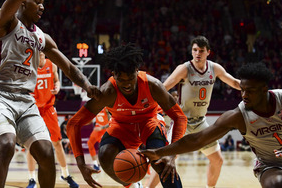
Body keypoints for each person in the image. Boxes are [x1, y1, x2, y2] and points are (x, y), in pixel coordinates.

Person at [0, 0, 100, 187]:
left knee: (46, 152)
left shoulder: (42, 38)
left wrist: (88, 86)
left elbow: (69, 67)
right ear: (24, 3)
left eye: (43, 3)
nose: (42, 7)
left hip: (26, 101)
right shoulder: (6, 21)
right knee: (6, 145)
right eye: (38, 1)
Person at [142, 62, 282, 188]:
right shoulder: (237, 116)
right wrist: (160, 152)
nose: (244, 96)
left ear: (264, 89)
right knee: (276, 184)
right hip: (273, 165)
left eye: (249, 91)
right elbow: (197, 140)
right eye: (242, 90)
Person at [66, 44, 187, 188]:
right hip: (121, 126)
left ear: (137, 70)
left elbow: (180, 117)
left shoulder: (153, 85)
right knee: (105, 155)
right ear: (113, 74)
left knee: (161, 162)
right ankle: (133, 184)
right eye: (121, 79)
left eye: (130, 78)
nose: (126, 84)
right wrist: (81, 164)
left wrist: (172, 155)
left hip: (149, 122)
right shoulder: (107, 92)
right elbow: (74, 123)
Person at [163, 35, 241, 188]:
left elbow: (233, 82)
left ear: (208, 52)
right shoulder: (184, 69)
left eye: (201, 51)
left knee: (217, 159)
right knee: (166, 160)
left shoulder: (214, 68)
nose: (197, 53)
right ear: (191, 51)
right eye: (195, 50)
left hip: (200, 122)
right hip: (182, 121)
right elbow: (163, 87)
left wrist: (251, 87)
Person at [26, 52, 78, 188]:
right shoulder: (28, 67)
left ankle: (65, 174)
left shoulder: (52, 65)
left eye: (42, 53)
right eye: (38, 53)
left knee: (57, 143)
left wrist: (57, 87)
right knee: (30, 145)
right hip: (34, 109)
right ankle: (32, 179)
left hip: (49, 108)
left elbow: (56, 80)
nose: (40, 55)